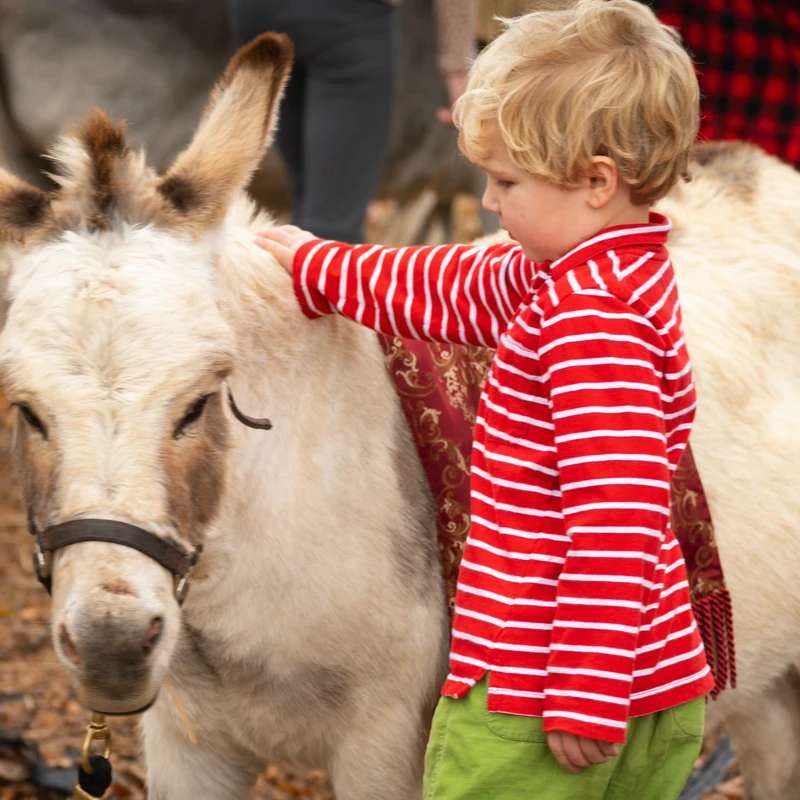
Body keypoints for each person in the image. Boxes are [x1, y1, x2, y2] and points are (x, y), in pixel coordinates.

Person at [256, 1, 714, 797]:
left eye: (506, 181)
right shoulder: (586, 270)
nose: (491, 203)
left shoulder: (590, 318)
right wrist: (318, 265)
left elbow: (617, 508)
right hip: (647, 680)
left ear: (597, 182)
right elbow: (451, 286)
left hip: (544, 697)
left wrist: (583, 688)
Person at [228, 0, 477, 243]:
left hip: (255, 11)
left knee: (310, 206)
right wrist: (458, 68)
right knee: (332, 229)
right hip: (346, 18)